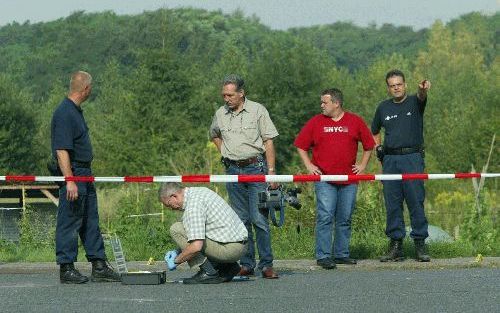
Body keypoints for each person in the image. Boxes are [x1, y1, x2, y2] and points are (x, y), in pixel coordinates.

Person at [51, 71, 120, 284]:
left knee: (91, 220)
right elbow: (61, 149)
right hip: (74, 173)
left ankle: (98, 265)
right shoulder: (64, 112)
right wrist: (69, 179)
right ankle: (67, 268)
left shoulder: (75, 111)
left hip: (84, 173)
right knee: (70, 221)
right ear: (86, 89)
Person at [294, 88, 375, 269]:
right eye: (322, 102)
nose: (321, 105)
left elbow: (369, 145)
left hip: (349, 180)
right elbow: (300, 145)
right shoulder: (316, 122)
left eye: (325, 102)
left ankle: (341, 254)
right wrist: (309, 165)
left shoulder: (355, 121)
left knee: (344, 218)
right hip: (324, 179)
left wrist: (362, 165)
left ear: (336, 103)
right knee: (325, 217)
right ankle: (323, 256)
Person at [209, 74, 279, 279]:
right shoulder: (220, 113)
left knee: (259, 219)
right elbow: (213, 134)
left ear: (241, 93)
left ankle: (266, 265)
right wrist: (225, 151)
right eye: (224, 95)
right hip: (232, 170)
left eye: (230, 95)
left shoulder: (258, 110)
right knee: (241, 220)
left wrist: (272, 173)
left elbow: (268, 142)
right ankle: (247, 264)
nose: (226, 99)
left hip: (256, 169)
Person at [371, 69, 431, 262]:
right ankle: (396, 246)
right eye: (392, 85)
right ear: (388, 88)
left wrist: (423, 90)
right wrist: (378, 147)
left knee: (415, 201)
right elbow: (374, 131)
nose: (396, 88)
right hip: (390, 160)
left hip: (412, 158)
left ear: (405, 85)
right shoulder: (383, 108)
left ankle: (420, 245)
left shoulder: (415, 101)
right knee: (393, 204)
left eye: (399, 84)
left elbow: (422, 96)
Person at [159, 183, 248, 284]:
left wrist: (177, 260)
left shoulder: (193, 207)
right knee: (189, 233)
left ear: (174, 196)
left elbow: (196, 246)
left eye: (169, 204)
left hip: (230, 248)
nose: (171, 208)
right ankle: (227, 267)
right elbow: (197, 232)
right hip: (239, 245)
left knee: (176, 229)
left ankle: (208, 272)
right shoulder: (199, 192)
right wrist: (177, 251)